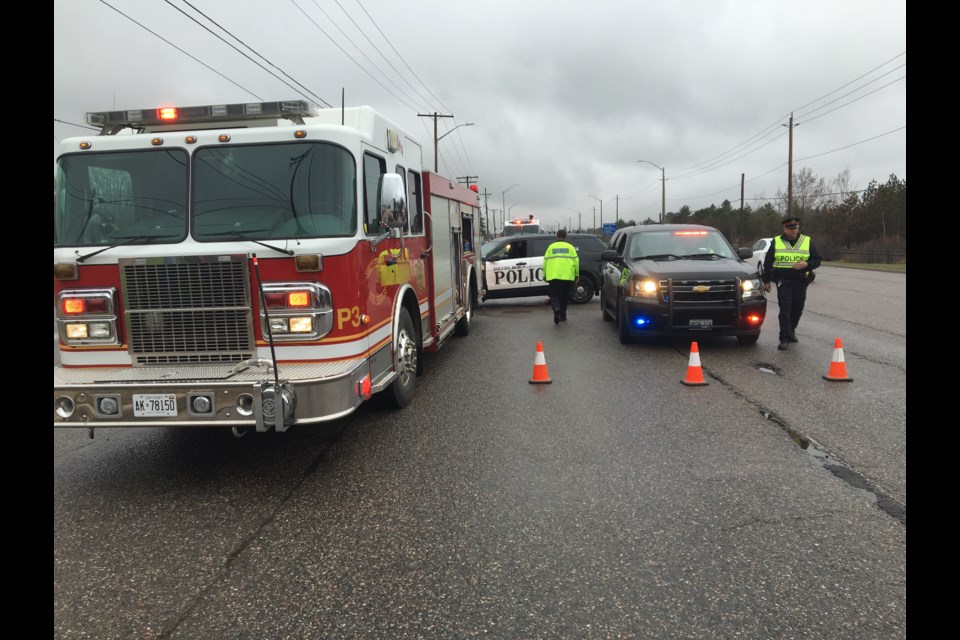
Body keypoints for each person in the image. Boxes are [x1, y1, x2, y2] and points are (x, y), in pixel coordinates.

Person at [762, 215, 822, 350]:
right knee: (785, 309)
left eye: (795, 228)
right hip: (784, 281)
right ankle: (784, 338)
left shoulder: (807, 241)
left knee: (797, 309)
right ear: (784, 229)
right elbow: (768, 262)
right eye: (790, 229)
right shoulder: (776, 241)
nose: (793, 231)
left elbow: (817, 260)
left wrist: (806, 264)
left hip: (801, 281)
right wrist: (766, 280)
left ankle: (791, 331)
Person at [543, 228, 580, 324]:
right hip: (567, 276)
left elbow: (545, 261)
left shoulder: (551, 247)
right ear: (566, 236)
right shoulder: (570, 247)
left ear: (557, 236)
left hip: (553, 275)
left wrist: (545, 275)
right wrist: (577, 274)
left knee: (554, 295)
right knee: (564, 296)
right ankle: (563, 315)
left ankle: (556, 309)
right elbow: (576, 261)